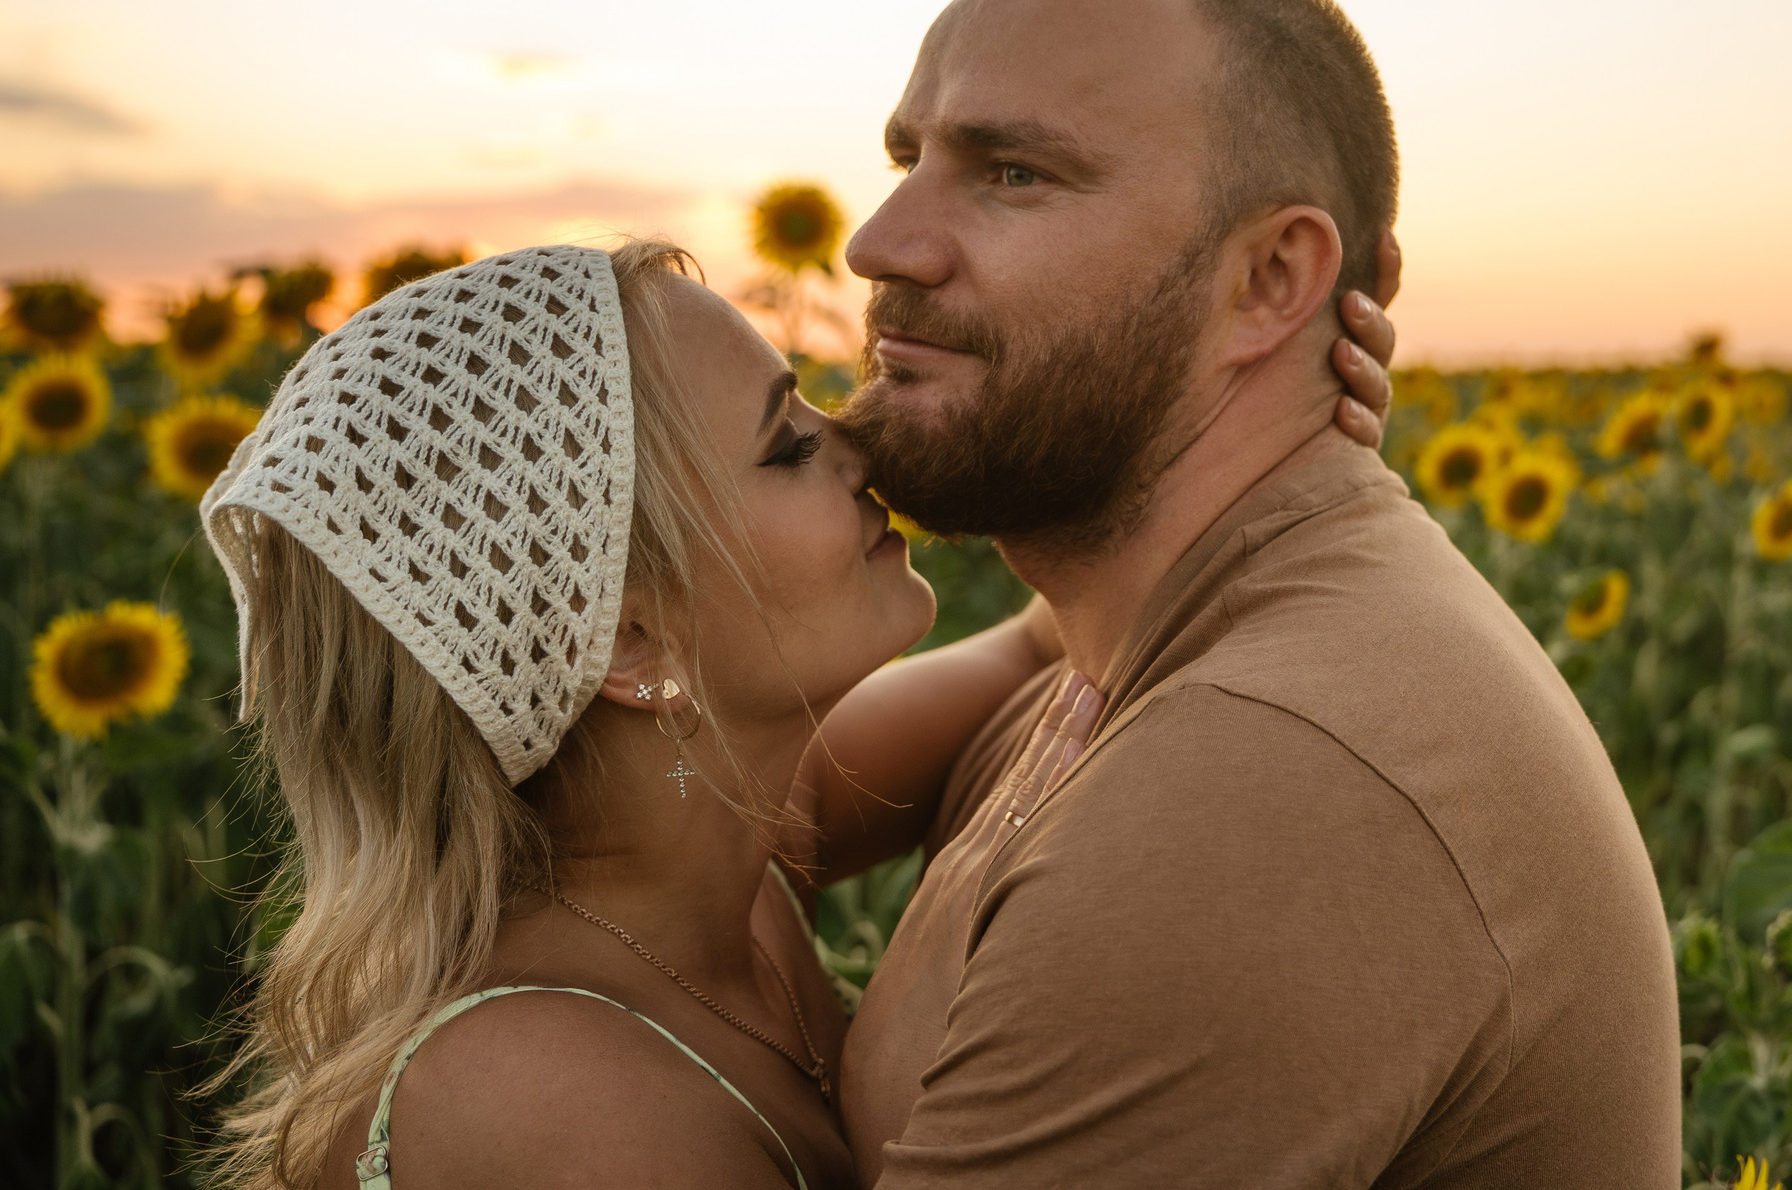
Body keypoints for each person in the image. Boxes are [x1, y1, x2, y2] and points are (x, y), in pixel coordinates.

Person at [199, 236, 1396, 1190]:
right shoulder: (538, 1094)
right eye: (785, 441)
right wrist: (933, 1022)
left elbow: (1066, 628)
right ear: (628, 639)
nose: (857, 438)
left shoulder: (721, 861)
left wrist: (1241, 406)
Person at [831, 0, 1682, 1186]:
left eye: (1012, 172)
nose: (880, 242)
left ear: (1271, 278)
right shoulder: (1141, 638)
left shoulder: (1260, 774)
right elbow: (668, 824)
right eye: (910, 158)